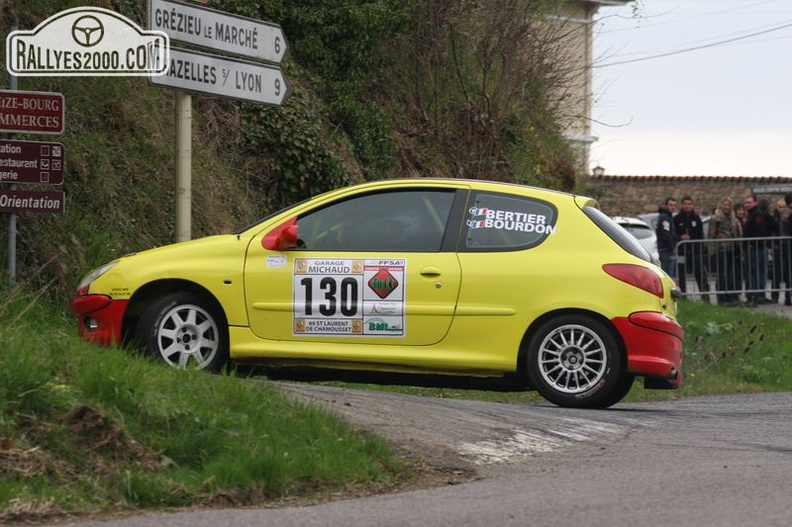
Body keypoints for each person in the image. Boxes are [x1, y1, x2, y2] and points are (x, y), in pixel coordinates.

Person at [708, 197, 742, 306]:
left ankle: (730, 297)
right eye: (725, 205)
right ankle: (721, 298)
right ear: (721, 205)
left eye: (728, 205)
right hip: (720, 249)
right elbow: (711, 235)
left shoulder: (733, 218)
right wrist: (712, 250)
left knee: (731, 274)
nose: (727, 207)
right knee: (722, 274)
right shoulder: (715, 218)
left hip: (732, 249)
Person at [674, 196, 708, 298]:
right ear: (682, 205)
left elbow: (701, 235)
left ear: (692, 205)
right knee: (681, 275)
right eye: (685, 204)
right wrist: (680, 237)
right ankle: (683, 296)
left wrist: (700, 248)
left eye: (689, 204)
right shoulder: (676, 219)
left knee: (700, 274)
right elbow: (673, 234)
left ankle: (705, 296)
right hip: (681, 252)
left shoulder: (696, 218)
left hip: (695, 252)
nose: (687, 206)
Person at [743, 194, 773, 305]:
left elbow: (758, 231)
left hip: (756, 248)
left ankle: (757, 296)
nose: (747, 204)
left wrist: (750, 243)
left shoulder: (756, 215)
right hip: (756, 247)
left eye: (749, 202)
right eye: (745, 202)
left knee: (755, 273)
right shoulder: (752, 214)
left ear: (755, 203)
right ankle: (758, 295)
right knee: (757, 272)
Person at [770, 198, 790, 304]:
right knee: (776, 272)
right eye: (779, 207)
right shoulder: (774, 218)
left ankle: (788, 296)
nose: (781, 209)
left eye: (783, 207)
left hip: (787, 245)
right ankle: (774, 296)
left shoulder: (788, 216)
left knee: (788, 272)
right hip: (777, 247)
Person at [656, 197, 678, 280]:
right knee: (668, 275)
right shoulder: (665, 217)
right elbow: (666, 233)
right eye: (671, 205)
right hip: (666, 250)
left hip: (666, 249)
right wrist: (672, 245)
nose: (673, 207)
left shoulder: (667, 216)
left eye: (674, 205)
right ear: (666, 206)